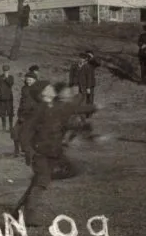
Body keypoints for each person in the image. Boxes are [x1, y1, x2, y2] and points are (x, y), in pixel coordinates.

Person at [15, 82, 96, 226]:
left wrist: (90, 112)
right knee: (42, 181)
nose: (52, 88)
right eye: (48, 87)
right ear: (43, 93)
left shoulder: (54, 107)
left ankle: (17, 210)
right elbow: (25, 132)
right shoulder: (39, 109)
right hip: (40, 152)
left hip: (53, 151)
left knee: (39, 181)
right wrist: (29, 152)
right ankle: (28, 217)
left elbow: (68, 114)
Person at [0, 64, 15, 131]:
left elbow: (11, 84)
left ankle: (10, 127)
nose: (6, 72)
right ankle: (4, 127)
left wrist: (6, 78)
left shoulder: (11, 77)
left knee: (10, 112)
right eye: (4, 71)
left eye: (7, 71)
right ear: (3, 71)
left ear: (9, 71)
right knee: (2, 113)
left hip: (9, 98)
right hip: (1, 98)